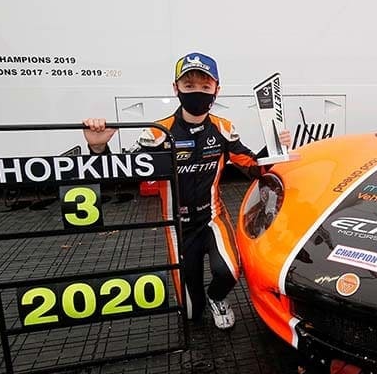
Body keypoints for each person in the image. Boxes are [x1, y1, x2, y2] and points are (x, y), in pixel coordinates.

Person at [82, 51, 291, 329]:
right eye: (189, 86)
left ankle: (217, 296)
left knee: (229, 271)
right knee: (192, 314)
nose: (197, 93)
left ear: (217, 90)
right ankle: (199, 301)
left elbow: (252, 167)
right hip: (177, 227)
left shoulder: (223, 129)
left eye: (205, 87)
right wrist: (98, 148)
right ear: (175, 88)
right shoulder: (158, 133)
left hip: (212, 218)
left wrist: (275, 149)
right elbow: (123, 174)